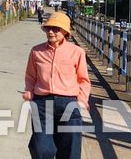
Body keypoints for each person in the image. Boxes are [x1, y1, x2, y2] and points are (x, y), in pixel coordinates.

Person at [23, 12, 90, 159]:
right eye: (48, 28)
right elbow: (30, 76)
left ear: (65, 31)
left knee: (69, 149)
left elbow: (83, 80)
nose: (51, 32)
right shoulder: (36, 51)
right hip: (42, 103)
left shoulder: (77, 52)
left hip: (69, 103)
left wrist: (82, 100)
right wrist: (29, 90)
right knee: (41, 148)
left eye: (56, 29)